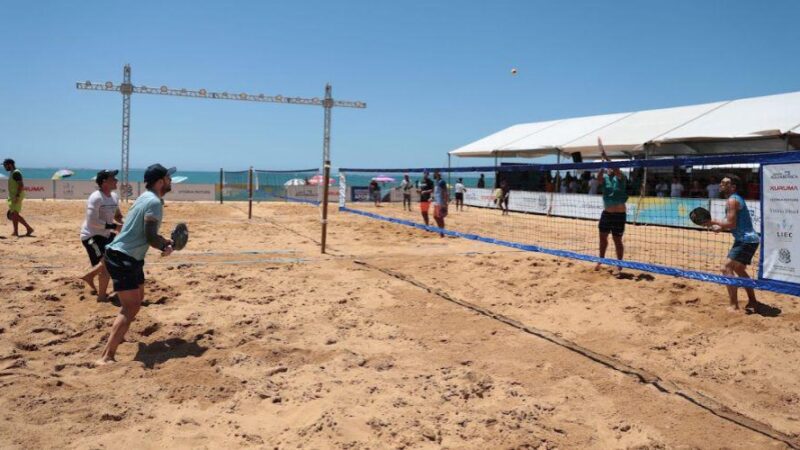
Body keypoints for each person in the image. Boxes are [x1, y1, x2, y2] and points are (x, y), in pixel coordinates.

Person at [96, 164, 176, 365]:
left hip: (129, 256)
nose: (171, 180)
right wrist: (163, 246)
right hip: (123, 257)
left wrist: (163, 241)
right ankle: (107, 356)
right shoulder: (155, 203)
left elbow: (143, 231)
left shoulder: (145, 197)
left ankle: (120, 334)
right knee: (130, 307)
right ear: (160, 182)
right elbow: (149, 236)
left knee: (138, 298)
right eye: (168, 177)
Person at [706, 176, 761, 313]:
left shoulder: (732, 200)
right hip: (749, 239)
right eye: (721, 182)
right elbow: (732, 222)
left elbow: (731, 223)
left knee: (726, 268)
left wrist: (713, 222)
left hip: (745, 240)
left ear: (733, 186)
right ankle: (753, 300)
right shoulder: (734, 198)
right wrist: (720, 227)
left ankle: (733, 305)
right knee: (739, 269)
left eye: (725, 183)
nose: (721, 184)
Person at [79, 170, 123, 301]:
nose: (116, 180)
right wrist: (115, 227)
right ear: (104, 181)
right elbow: (93, 222)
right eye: (113, 178)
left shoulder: (114, 196)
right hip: (91, 236)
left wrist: (124, 224)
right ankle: (101, 296)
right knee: (107, 263)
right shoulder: (96, 197)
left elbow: (118, 216)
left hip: (106, 234)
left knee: (117, 258)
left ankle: (91, 277)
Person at [595, 138, 628, 273]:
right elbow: (598, 178)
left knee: (617, 240)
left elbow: (615, 168)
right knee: (603, 239)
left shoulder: (621, 177)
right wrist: (602, 166)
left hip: (619, 215)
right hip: (607, 214)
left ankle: (619, 265)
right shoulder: (606, 178)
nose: (613, 168)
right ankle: (600, 261)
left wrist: (606, 156)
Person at [3, 158, 34, 237]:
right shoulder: (12, 172)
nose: (4, 167)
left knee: (14, 214)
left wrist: (17, 196)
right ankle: (22, 230)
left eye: (5, 165)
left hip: (17, 195)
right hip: (13, 196)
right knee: (14, 214)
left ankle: (25, 229)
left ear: (10, 165)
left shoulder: (16, 173)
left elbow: (21, 185)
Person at [432, 171, 449, 237]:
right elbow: (437, 192)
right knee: (435, 216)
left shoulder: (442, 182)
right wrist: (432, 197)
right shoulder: (436, 182)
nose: (433, 175)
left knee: (440, 217)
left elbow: (445, 192)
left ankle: (442, 233)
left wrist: (445, 203)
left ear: (437, 175)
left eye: (434, 174)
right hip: (436, 202)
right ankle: (441, 231)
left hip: (440, 202)